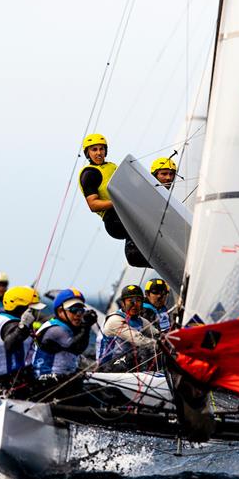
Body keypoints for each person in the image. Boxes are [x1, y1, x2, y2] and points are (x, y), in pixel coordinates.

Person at [78, 133, 149, 268]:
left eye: (101, 149)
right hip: (113, 220)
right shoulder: (89, 174)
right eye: (94, 149)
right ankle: (133, 255)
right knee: (138, 226)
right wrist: (117, 201)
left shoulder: (111, 166)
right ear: (87, 153)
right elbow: (93, 205)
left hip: (126, 211)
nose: (99, 153)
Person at [30, 288, 97, 401]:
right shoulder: (56, 329)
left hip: (62, 379)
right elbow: (76, 348)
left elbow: (80, 347)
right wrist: (86, 326)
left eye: (81, 310)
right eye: (74, 310)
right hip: (46, 383)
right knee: (97, 397)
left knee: (105, 392)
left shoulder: (69, 327)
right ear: (60, 311)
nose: (78, 314)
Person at [0, 285, 46, 399]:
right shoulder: (12, 325)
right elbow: (10, 345)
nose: (35, 312)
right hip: (16, 384)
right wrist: (24, 326)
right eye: (32, 309)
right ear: (19, 307)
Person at [97, 284, 159, 371]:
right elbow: (139, 340)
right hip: (107, 367)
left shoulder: (141, 321)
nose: (135, 304)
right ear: (122, 303)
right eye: (130, 301)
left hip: (127, 363)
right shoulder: (115, 320)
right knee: (144, 350)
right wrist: (160, 346)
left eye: (138, 301)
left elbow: (157, 334)